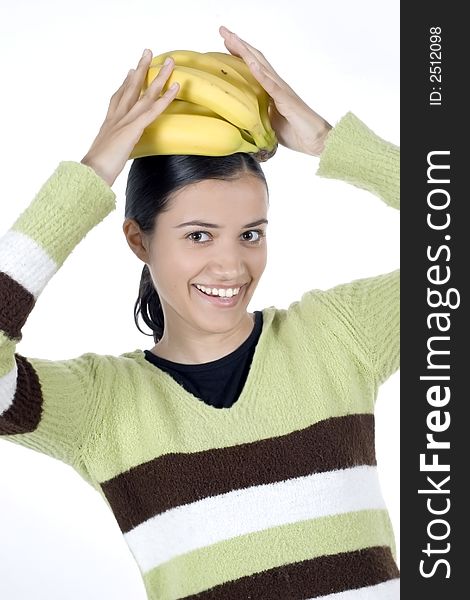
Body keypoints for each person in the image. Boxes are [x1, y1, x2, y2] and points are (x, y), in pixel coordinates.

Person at [0, 25, 399, 600]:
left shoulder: (337, 337)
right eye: (198, 236)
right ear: (139, 241)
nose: (231, 266)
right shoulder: (100, 408)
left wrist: (330, 142)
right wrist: (92, 173)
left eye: (251, 234)